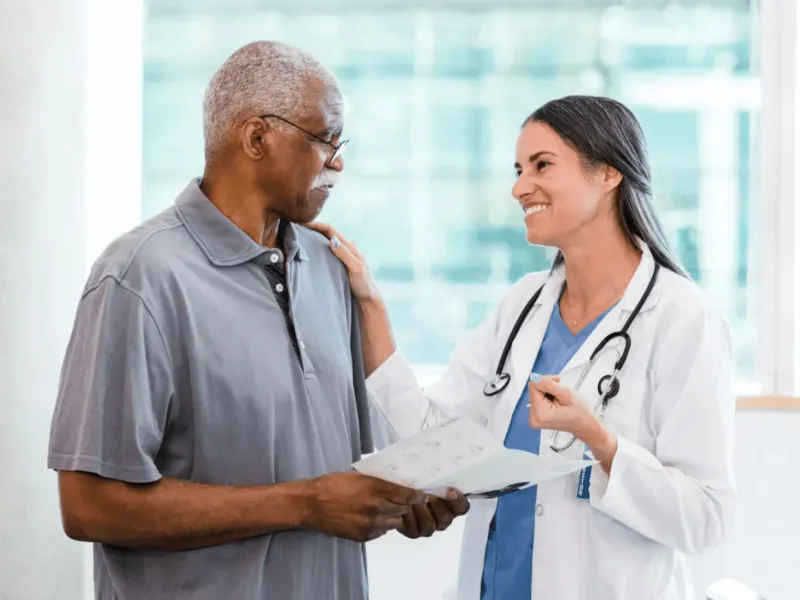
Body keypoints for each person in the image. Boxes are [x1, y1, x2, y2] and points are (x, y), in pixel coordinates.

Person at [47, 41, 468, 600]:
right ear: (256, 138)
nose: (338, 161)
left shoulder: (329, 270)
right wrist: (306, 504)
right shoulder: (138, 277)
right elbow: (88, 506)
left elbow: (354, 469)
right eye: (326, 140)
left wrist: (408, 499)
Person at [309, 95, 736, 600]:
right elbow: (429, 436)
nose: (518, 187)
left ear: (608, 174)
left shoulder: (682, 317)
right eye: (518, 169)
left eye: (542, 165)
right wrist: (369, 303)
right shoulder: (523, 304)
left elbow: (707, 519)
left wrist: (600, 442)